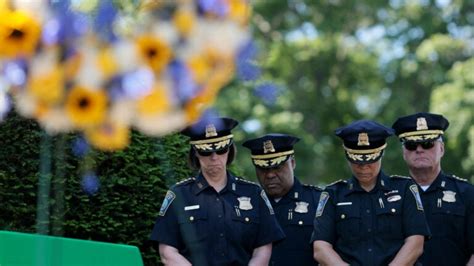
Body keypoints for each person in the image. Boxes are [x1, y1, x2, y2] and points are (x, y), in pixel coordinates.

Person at [150, 116, 285, 266]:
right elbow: (167, 251)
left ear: (229, 149)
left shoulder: (253, 194)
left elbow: (263, 248)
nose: (214, 157)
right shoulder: (178, 195)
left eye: (221, 149)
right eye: (206, 152)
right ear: (195, 152)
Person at [311, 119, 430, 266]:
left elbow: (416, 243)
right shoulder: (332, 195)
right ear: (348, 157)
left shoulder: (405, 189)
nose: (364, 167)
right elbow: (321, 248)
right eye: (357, 161)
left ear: (381, 154)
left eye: (370, 161)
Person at [392, 112, 474, 265]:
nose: (419, 150)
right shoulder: (389, 196)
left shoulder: (466, 194)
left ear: (441, 149)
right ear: (404, 152)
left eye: (428, 144)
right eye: (411, 145)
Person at [242, 133, 321, 265]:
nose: (270, 175)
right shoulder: (248, 205)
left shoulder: (317, 201)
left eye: (278, 167)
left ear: (293, 163)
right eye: (263, 168)